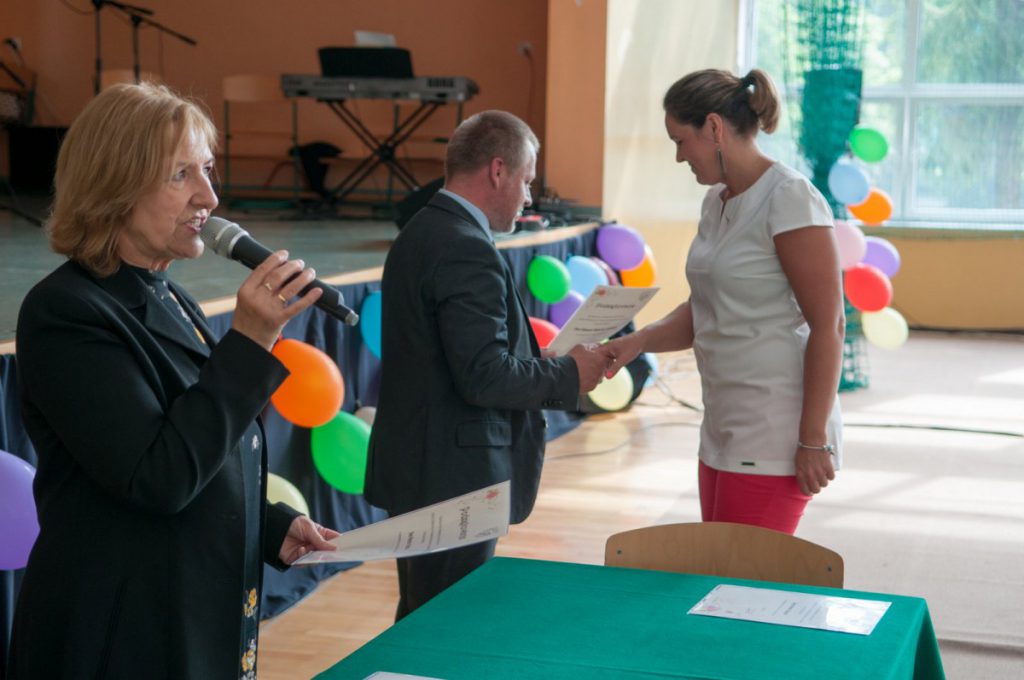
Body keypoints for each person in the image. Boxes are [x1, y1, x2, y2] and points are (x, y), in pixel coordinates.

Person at [8, 83, 339, 679]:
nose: (209, 196)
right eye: (181, 174)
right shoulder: (65, 312)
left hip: (185, 615)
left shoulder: (169, 295)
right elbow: (157, 478)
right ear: (114, 185)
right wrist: (249, 344)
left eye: (207, 170)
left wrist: (271, 526)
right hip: (118, 638)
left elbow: (206, 443)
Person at [364, 110, 610, 620]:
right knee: (445, 627)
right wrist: (569, 375)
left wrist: (534, 362)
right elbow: (484, 375)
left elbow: (450, 357)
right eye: (527, 181)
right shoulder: (464, 247)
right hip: (454, 480)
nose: (529, 197)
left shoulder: (422, 229)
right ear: (498, 170)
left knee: (423, 620)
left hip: (424, 468)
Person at [603, 69, 844, 535]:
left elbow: (829, 325)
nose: (679, 156)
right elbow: (708, 306)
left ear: (714, 128)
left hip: (774, 431)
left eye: (680, 141)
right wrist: (638, 342)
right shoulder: (716, 201)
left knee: (740, 574)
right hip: (722, 427)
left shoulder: (790, 198)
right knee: (715, 568)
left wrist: (813, 440)